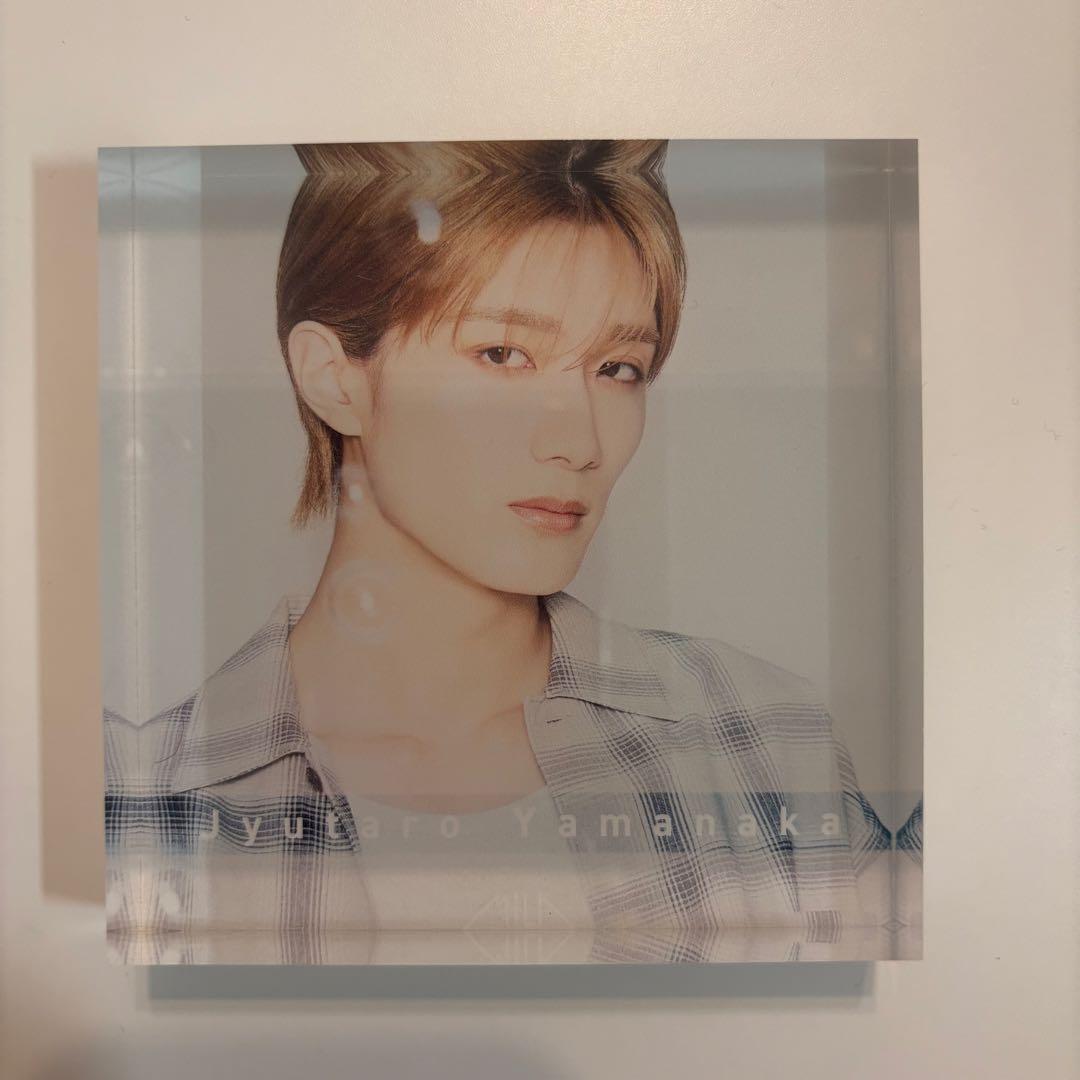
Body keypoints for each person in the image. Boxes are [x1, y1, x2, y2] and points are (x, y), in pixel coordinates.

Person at [104, 139, 904, 965]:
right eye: (502, 354)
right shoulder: (138, 798)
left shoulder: (769, 739)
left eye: (618, 369)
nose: (579, 440)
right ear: (335, 378)